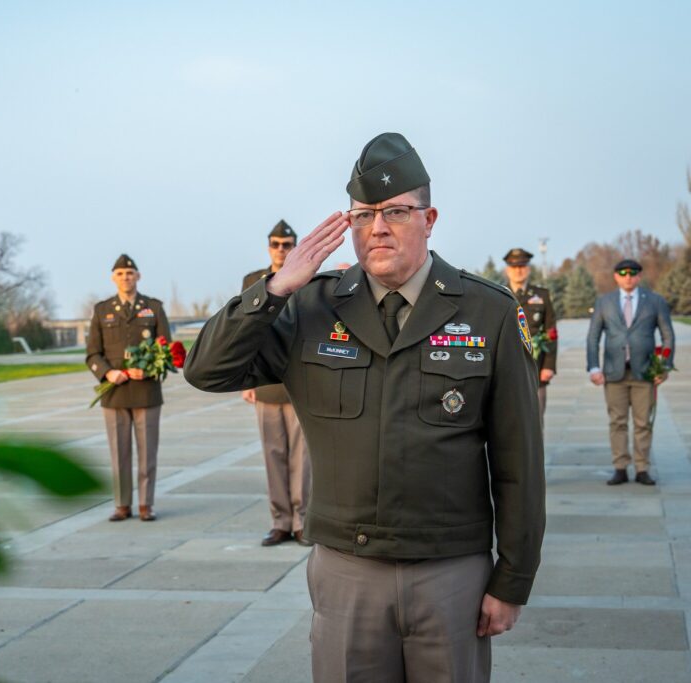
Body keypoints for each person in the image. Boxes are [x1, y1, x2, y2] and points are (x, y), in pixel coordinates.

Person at [185, 132, 545, 683]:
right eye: (363, 215)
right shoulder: (310, 306)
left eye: (397, 212)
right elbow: (207, 370)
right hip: (347, 574)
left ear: (430, 219)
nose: (377, 228)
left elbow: (520, 463)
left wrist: (512, 579)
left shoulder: (488, 311)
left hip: (451, 572)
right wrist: (275, 289)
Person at [242, 220, 311, 547]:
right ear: (268, 247)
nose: (281, 249)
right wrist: (246, 377)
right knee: (273, 454)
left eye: (286, 244)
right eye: (275, 244)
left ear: (295, 246)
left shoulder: (309, 276)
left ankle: (302, 521)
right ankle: (280, 521)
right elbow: (245, 332)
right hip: (266, 379)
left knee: (302, 457)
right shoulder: (254, 281)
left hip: (299, 379)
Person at [86, 254, 171, 521]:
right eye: (121, 273)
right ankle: (122, 504)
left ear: (138, 277)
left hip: (146, 392)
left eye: (130, 273)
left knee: (148, 453)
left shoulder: (153, 308)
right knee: (118, 453)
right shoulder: (102, 310)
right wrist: (108, 373)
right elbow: (92, 354)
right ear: (114, 278)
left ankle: (146, 504)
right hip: (115, 393)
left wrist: (147, 369)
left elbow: (165, 348)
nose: (126, 278)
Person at [586, 258, 675, 486]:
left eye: (632, 273)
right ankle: (620, 467)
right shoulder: (604, 302)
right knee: (617, 421)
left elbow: (668, 336)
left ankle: (643, 468)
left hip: (644, 373)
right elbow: (594, 337)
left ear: (639, 276)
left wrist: (664, 366)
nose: (628, 277)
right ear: (616, 276)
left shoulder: (654, 301)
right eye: (623, 273)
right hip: (614, 373)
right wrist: (594, 367)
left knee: (643, 422)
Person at [503, 247, 558, 423]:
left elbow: (551, 332)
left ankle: (536, 452)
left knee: (535, 420)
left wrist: (549, 366)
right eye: (514, 266)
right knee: (507, 422)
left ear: (529, 268)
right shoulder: (498, 294)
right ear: (507, 270)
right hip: (505, 368)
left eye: (522, 266)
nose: (518, 270)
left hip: (536, 367)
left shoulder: (542, 295)